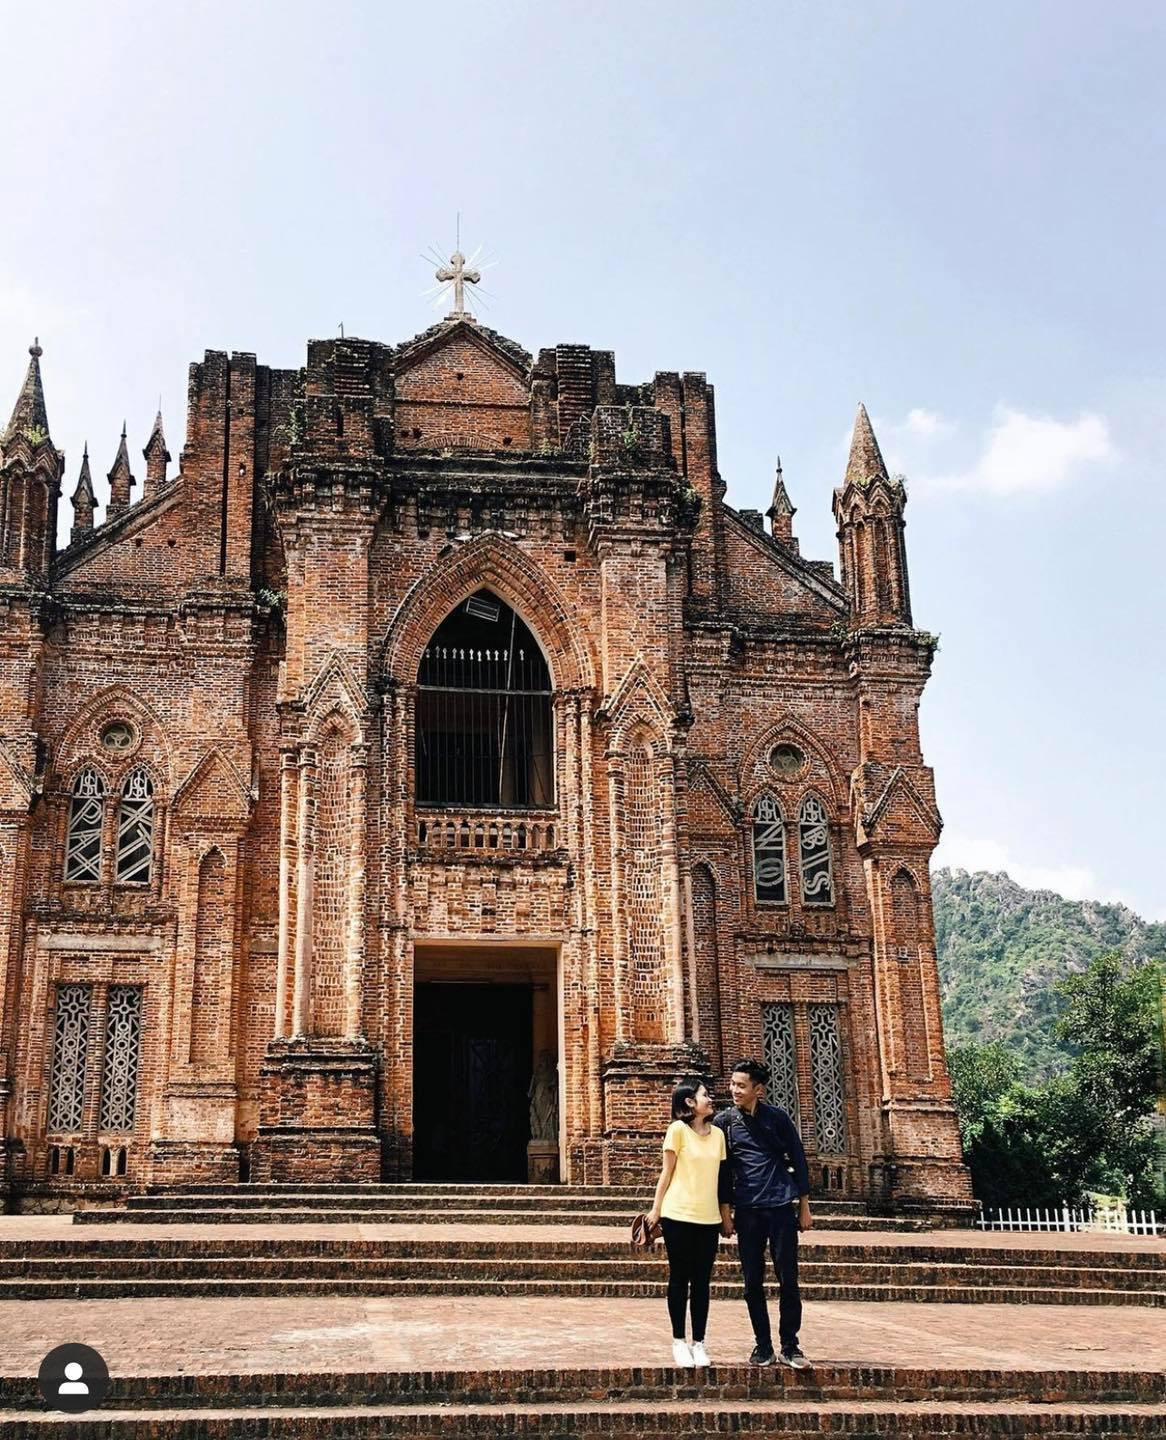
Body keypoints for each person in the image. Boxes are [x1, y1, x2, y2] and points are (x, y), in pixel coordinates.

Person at [714, 1058, 813, 1369]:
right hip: (747, 1210)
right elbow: (721, 1170)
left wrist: (805, 1207)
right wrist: (725, 1214)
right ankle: (762, 1345)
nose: (733, 1090)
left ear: (759, 1090)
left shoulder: (778, 1119)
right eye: (732, 1084)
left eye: (740, 1086)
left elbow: (797, 1157)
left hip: (780, 1205)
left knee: (789, 1278)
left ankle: (790, 1345)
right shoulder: (725, 1123)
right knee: (752, 1281)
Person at [645, 1078, 730, 1369]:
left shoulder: (718, 1135)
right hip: (677, 1214)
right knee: (680, 1277)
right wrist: (656, 1210)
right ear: (690, 1102)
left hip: (708, 1218)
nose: (711, 1098)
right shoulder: (677, 1130)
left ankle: (700, 1343)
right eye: (705, 1094)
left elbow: (722, 1181)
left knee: (703, 1281)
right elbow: (666, 1174)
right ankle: (679, 1341)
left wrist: (725, 1215)